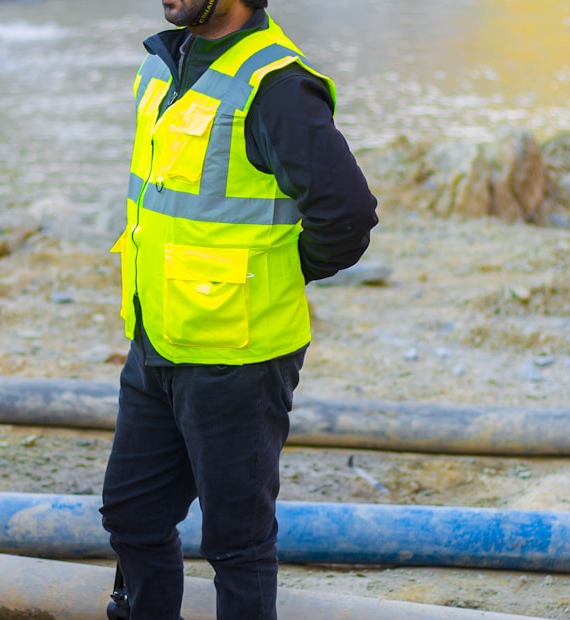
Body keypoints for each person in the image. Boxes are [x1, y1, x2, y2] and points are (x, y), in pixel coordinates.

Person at [99, 0, 378, 618]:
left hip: (240, 355)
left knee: (237, 543)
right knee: (131, 515)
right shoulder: (162, 63)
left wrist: (274, 272)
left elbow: (348, 216)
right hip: (156, 338)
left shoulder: (275, 84)